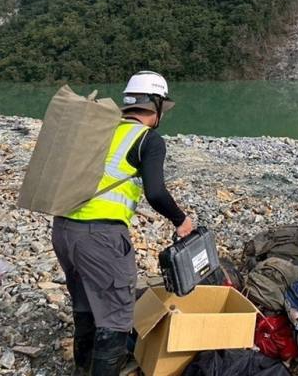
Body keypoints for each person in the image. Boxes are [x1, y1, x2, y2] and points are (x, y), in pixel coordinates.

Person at [52, 71, 193, 376]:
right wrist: (181, 220)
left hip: (63, 229)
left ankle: (83, 368)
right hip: (100, 237)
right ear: (155, 105)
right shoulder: (148, 139)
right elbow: (156, 192)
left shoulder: (102, 128)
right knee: (115, 316)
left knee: (86, 303)